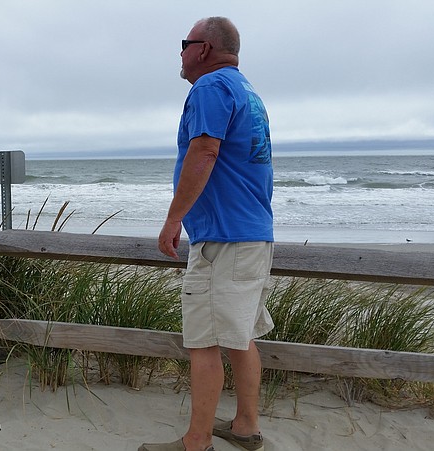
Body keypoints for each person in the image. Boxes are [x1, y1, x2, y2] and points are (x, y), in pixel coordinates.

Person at [141, 17, 274, 451]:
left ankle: (196, 443)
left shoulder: (211, 87)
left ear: (202, 49)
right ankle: (245, 426)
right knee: (239, 338)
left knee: (205, 342)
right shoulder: (247, 91)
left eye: (184, 44)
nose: (179, 53)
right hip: (251, 235)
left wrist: (173, 217)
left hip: (223, 240)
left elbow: (205, 150)